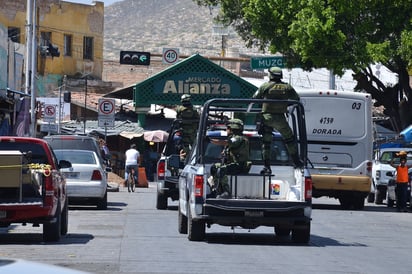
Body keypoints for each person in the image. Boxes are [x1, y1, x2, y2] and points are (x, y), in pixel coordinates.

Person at [252, 66, 301, 175]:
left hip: (267, 118)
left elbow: (254, 98)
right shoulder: (287, 87)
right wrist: (285, 105)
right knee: (289, 139)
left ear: (270, 75)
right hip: (281, 119)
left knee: (266, 143)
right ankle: (297, 161)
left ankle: (267, 167)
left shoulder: (265, 86)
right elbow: (296, 99)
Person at [209, 119, 251, 198]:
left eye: (227, 128)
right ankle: (216, 191)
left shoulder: (239, 138)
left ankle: (226, 192)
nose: (226, 130)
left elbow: (227, 142)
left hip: (240, 165)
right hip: (233, 165)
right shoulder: (233, 139)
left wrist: (211, 141)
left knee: (221, 170)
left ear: (232, 129)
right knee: (214, 167)